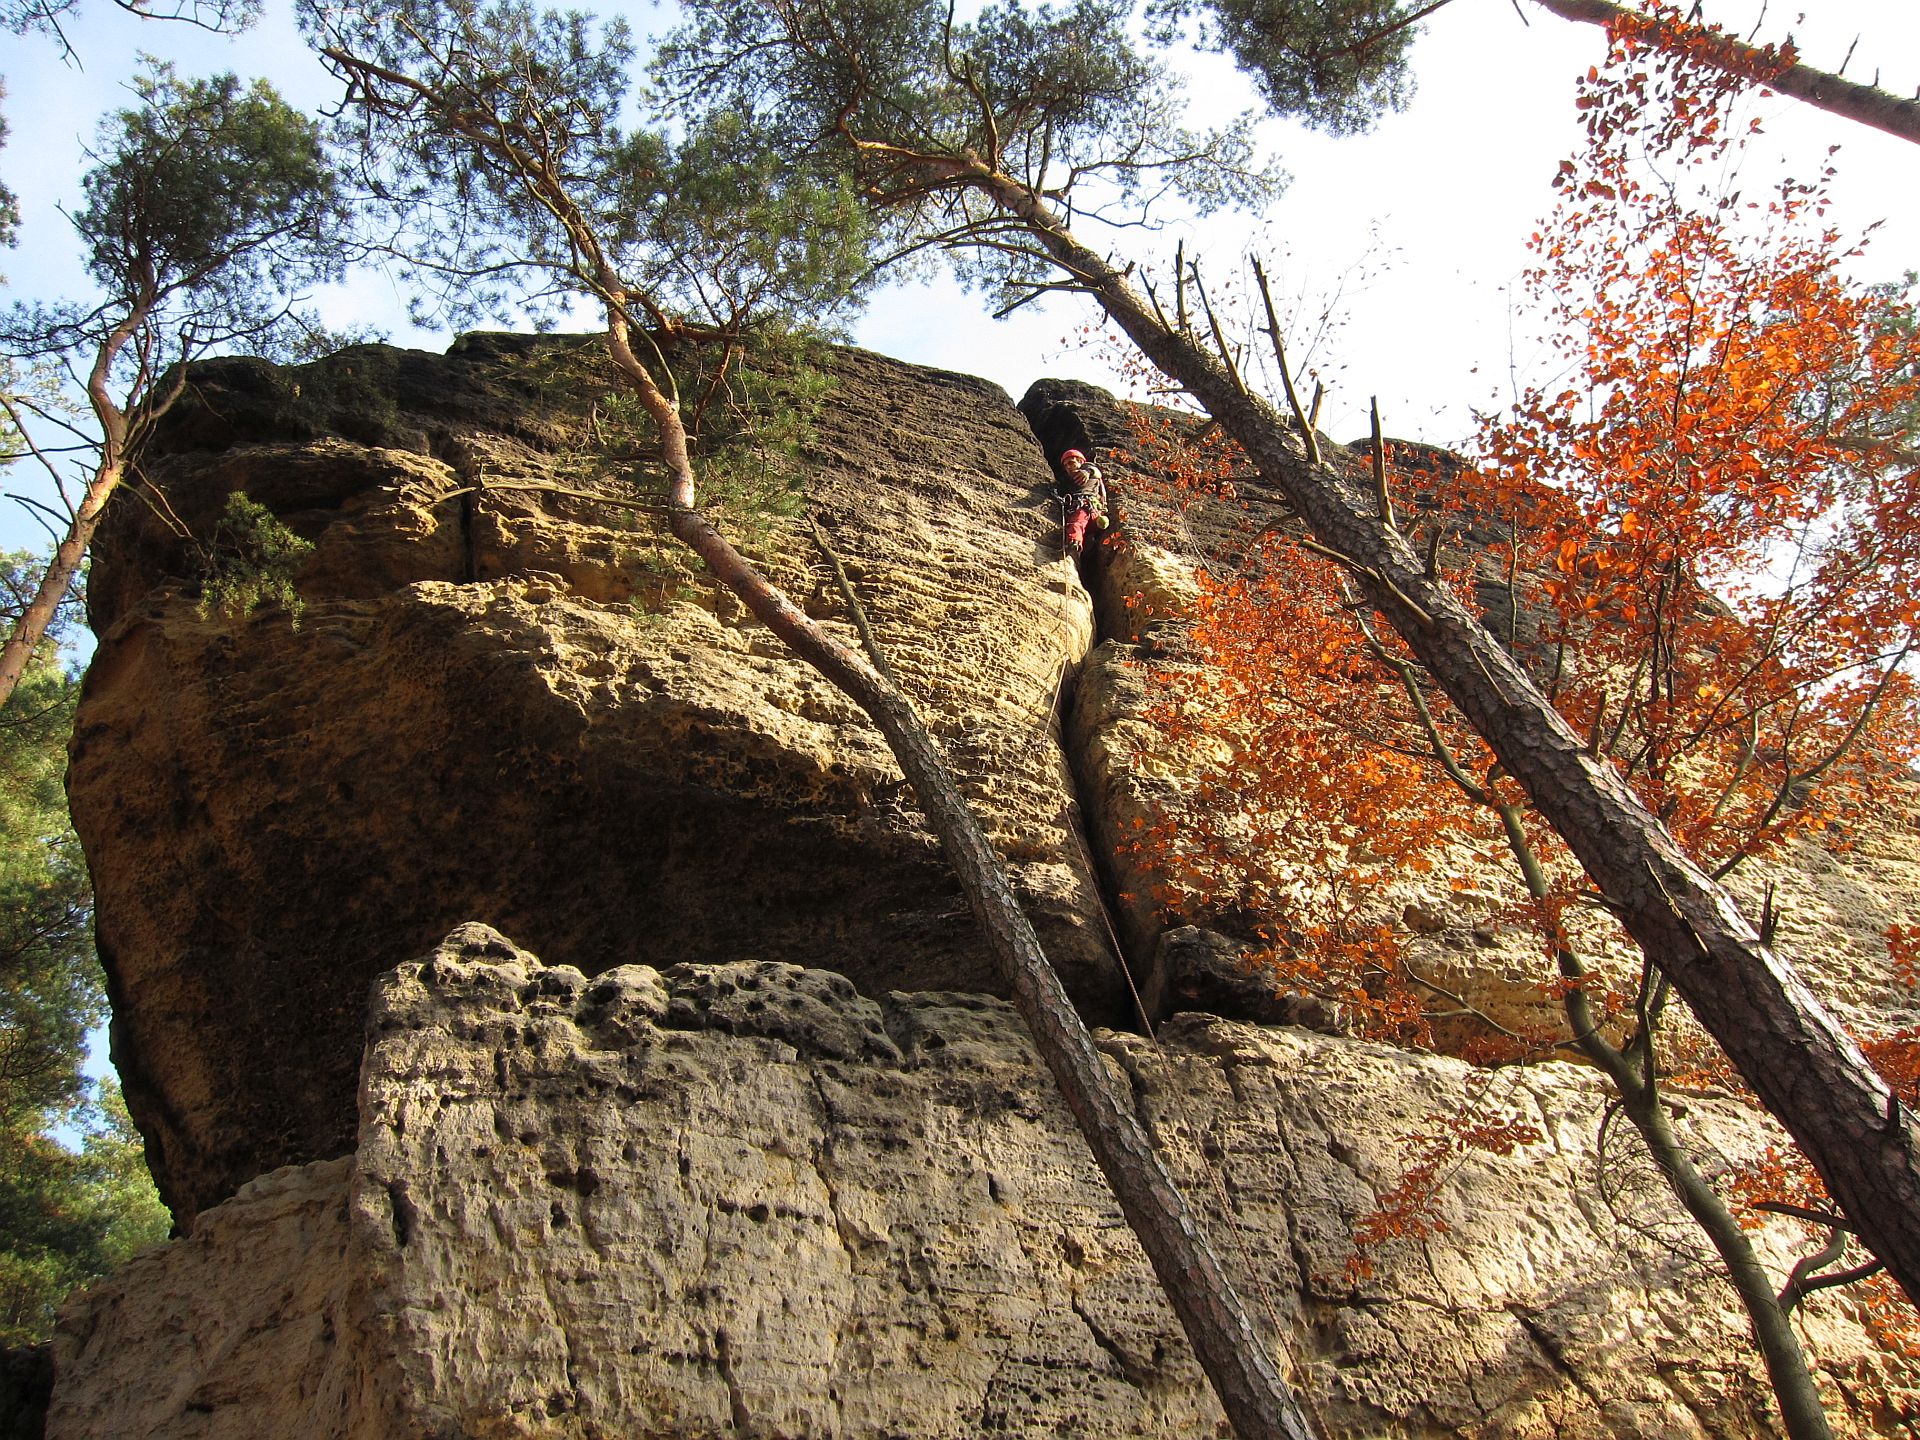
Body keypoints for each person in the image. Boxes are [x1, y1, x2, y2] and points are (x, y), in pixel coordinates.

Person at [1056, 448, 1109, 560]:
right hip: (1095, 514)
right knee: (1086, 534)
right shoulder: (1069, 481)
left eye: (1071, 463)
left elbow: (1096, 471)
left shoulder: (1086, 468)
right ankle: (1086, 550)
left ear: (1080, 461)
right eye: (1065, 466)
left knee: (1076, 523)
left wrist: (1087, 472)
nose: (1068, 467)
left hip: (1084, 507)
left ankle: (1073, 544)